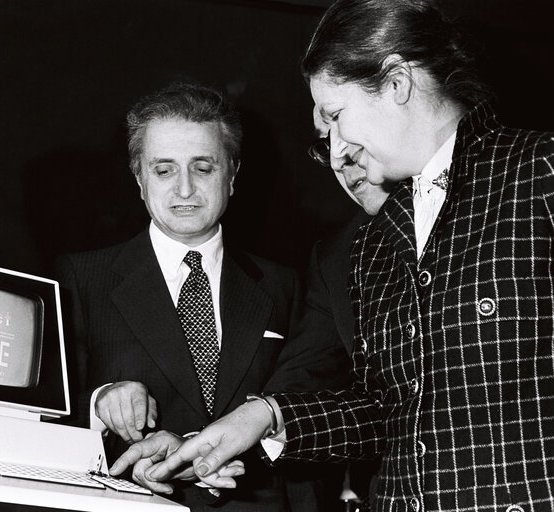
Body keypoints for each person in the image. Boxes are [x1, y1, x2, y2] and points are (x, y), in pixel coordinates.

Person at [111, 1, 554, 511]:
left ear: (397, 82)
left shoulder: (539, 173)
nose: (338, 149)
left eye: (338, 115)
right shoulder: (373, 241)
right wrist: (262, 418)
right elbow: (388, 414)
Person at [54, 82, 349, 512]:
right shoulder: (81, 277)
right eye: (164, 169)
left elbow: (304, 403)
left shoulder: (286, 284)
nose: (185, 189)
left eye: (204, 168)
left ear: (232, 175)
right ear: (139, 179)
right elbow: (48, 408)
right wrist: (101, 402)